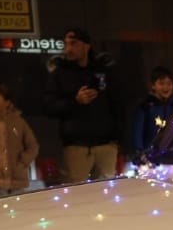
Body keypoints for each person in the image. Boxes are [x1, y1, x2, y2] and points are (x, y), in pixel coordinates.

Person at [43, 27, 120, 184]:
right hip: (77, 146)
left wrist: (117, 138)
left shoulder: (102, 71)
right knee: (75, 194)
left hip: (106, 145)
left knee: (109, 191)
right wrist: (75, 101)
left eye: (73, 44)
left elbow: (117, 103)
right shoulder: (60, 73)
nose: (68, 49)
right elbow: (49, 106)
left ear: (86, 46)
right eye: (66, 44)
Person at [129, 66, 173, 159]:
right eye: (161, 83)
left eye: (169, 83)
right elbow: (137, 134)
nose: (165, 87)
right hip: (149, 157)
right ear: (153, 85)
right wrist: (139, 153)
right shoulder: (145, 107)